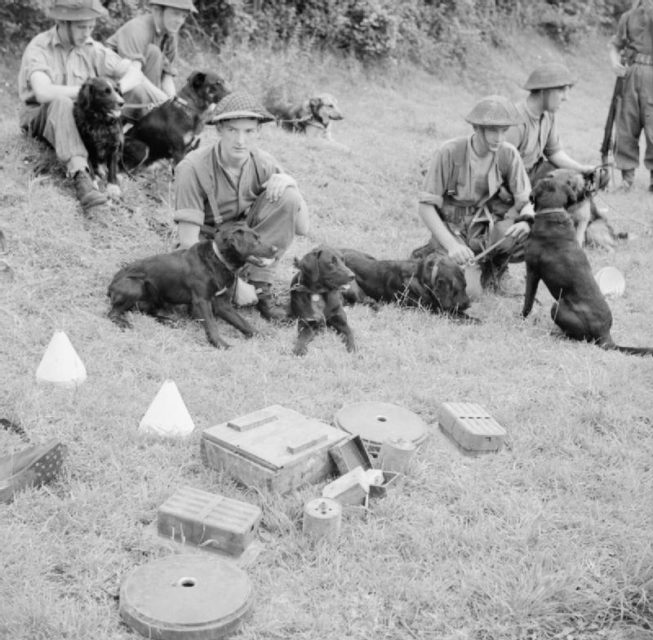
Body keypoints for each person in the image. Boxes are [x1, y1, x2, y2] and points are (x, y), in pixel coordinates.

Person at [173, 91, 310, 321]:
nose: (240, 140)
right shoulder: (192, 167)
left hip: (243, 240)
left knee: (287, 195)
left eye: (248, 131)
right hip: (207, 248)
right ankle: (232, 285)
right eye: (232, 130)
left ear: (258, 131)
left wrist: (292, 184)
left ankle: (259, 285)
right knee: (194, 285)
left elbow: (303, 227)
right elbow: (187, 244)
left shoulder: (263, 163)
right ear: (219, 130)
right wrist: (235, 285)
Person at [17, 0, 153, 211]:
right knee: (61, 102)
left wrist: (116, 90)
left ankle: (125, 158)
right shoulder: (40, 46)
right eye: (82, 27)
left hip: (79, 118)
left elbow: (134, 73)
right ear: (63, 23)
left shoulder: (92, 47)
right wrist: (84, 93)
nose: (87, 33)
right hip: (40, 117)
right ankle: (81, 176)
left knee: (134, 92)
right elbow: (43, 92)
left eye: (91, 26)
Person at [414, 95, 535, 295]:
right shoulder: (450, 152)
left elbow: (526, 200)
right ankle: (434, 252)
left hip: (486, 227)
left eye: (504, 130)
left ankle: (495, 268)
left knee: (535, 235)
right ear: (477, 128)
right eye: (493, 130)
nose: (500, 137)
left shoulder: (508, 154)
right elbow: (425, 207)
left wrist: (526, 220)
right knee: (468, 292)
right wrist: (452, 246)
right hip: (454, 229)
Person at [506, 62, 595, 186]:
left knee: (575, 180)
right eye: (561, 90)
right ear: (543, 91)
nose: (566, 98)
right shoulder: (516, 121)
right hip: (512, 182)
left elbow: (554, 153)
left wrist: (582, 169)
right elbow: (497, 167)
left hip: (532, 174)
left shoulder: (548, 115)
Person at [107, 0, 196, 118]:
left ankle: (152, 114)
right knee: (153, 52)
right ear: (157, 11)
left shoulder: (170, 34)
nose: (179, 21)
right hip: (117, 85)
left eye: (183, 16)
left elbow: (167, 78)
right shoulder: (138, 29)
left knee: (175, 110)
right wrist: (162, 101)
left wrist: (176, 105)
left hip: (140, 85)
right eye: (175, 13)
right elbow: (134, 76)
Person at [607, 0, 653, 191]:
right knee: (626, 124)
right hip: (630, 73)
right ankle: (627, 179)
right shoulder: (627, 17)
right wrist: (614, 62)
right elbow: (615, 45)